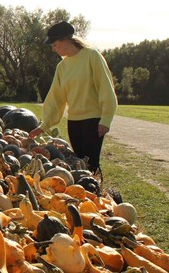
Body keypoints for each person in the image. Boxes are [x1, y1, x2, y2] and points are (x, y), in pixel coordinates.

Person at [29, 21, 118, 180]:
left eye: (55, 44)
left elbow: (106, 87)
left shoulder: (92, 56)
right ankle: (83, 198)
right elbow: (55, 97)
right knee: (79, 164)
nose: (53, 48)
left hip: (93, 120)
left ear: (65, 40)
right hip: (74, 122)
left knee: (92, 164)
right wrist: (43, 126)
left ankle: (98, 197)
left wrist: (105, 119)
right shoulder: (62, 66)